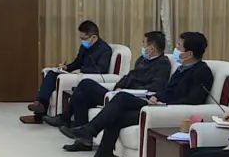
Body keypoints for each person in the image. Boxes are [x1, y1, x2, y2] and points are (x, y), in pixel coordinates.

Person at [60, 32, 214, 157]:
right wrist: (156, 97)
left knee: (122, 98)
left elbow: (192, 100)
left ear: (189, 54)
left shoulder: (201, 72)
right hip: (157, 105)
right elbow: (167, 90)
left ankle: (89, 130)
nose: (176, 49)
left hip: (167, 111)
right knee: (116, 116)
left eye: (179, 47)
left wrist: (164, 104)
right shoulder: (182, 68)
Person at [44, 31, 172, 132]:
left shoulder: (163, 64)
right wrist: (119, 87)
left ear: (152, 48)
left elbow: (155, 87)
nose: (142, 47)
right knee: (84, 86)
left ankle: (67, 120)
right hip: (119, 93)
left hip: (133, 98)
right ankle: (80, 133)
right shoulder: (142, 60)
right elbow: (129, 77)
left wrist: (127, 90)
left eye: (144, 44)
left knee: (85, 88)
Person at [21, 20, 112, 124]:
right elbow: (77, 62)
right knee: (51, 74)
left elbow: (101, 69)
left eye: (84, 39)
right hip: (76, 74)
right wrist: (66, 68)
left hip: (87, 78)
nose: (82, 42)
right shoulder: (84, 47)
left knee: (60, 78)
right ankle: (41, 105)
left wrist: (82, 70)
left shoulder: (105, 50)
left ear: (94, 37)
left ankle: (43, 116)